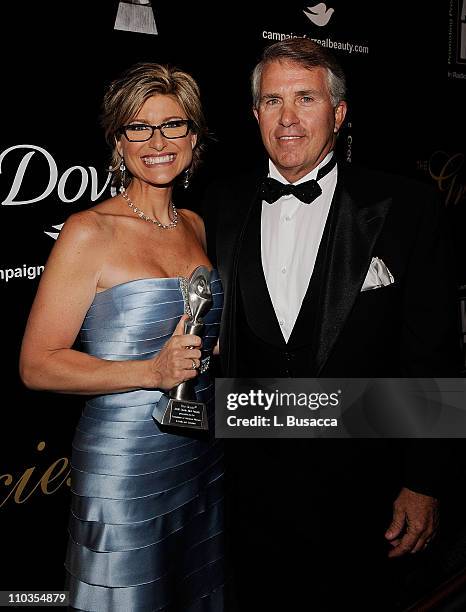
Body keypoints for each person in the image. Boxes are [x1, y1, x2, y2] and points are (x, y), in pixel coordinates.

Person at [202, 39, 460, 610]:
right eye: (272, 100)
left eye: (305, 98)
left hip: (364, 485)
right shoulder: (218, 204)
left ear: (339, 113)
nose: (287, 118)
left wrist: (424, 480)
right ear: (254, 112)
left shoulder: (408, 207)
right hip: (247, 486)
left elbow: (433, 353)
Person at [20, 63, 225, 611]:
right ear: (117, 140)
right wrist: (149, 372)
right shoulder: (90, 231)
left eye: (173, 125)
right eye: (139, 127)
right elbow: (37, 365)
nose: (157, 142)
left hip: (200, 454)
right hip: (124, 464)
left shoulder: (197, 225)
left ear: (194, 136)